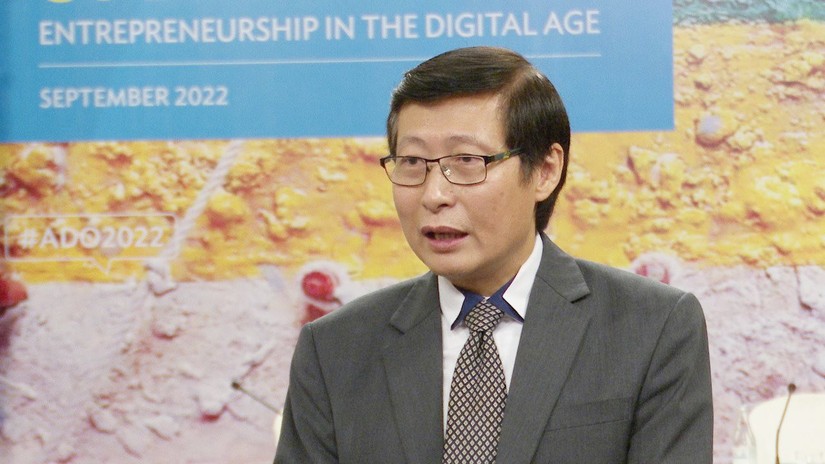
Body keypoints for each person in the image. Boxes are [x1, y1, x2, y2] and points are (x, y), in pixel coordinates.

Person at [275, 46, 713, 463]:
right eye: (412, 162)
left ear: (545, 171)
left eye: (468, 161)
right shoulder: (334, 349)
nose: (434, 194)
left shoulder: (653, 327)